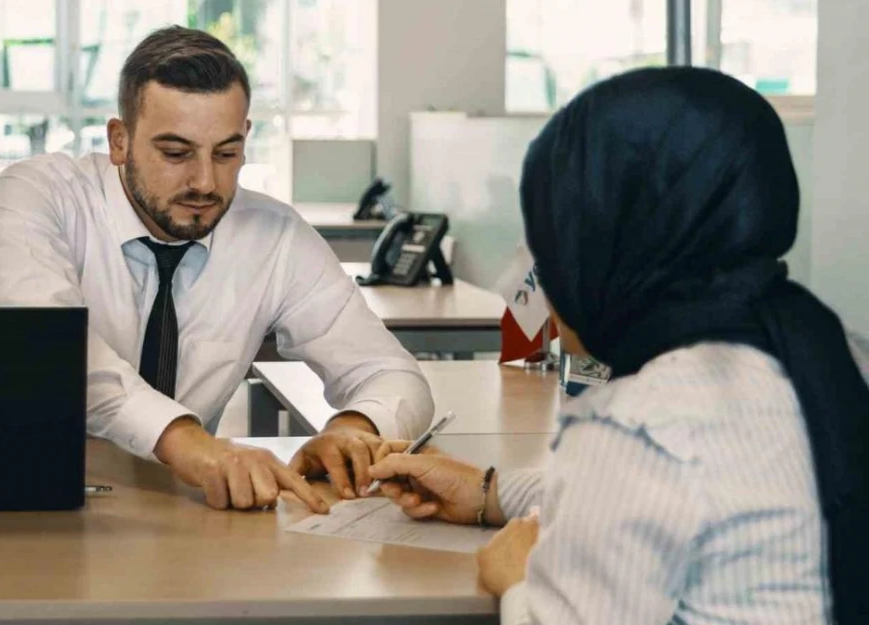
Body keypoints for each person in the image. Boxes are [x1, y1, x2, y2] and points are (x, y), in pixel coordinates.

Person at [369, 67, 869, 624]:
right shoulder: (826, 350)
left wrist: (517, 581)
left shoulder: (639, 423)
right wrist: (488, 490)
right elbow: (666, 495)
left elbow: (641, 472)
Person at [0, 26, 434, 513]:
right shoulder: (39, 195)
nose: (205, 182)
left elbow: (393, 374)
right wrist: (188, 441)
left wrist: (354, 429)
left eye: (226, 153)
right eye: (175, 153)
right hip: (29, 501)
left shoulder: (274, 235)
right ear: (119, 141)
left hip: (183, 513)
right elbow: (49, 354)